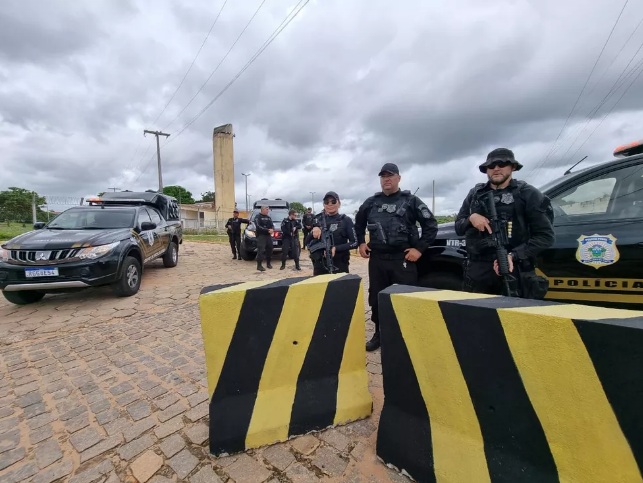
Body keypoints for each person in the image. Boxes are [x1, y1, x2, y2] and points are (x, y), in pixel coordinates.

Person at [355, 164, 438, 351]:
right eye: (383, 176)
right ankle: (380, 333)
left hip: (403, 260)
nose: (386, 179)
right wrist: (361, 243)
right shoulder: (371, 202)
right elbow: (358, 224)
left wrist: (419, 249)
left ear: (398, 178)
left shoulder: (411, 201)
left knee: (405, 298)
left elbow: (431, 225)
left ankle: (408, 336)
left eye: (390, 176)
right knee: (376, 298)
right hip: (377, 260)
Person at [455, 148, 555, 296]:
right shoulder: (475, 194)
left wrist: (513, 255)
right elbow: (459, 227)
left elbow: (545, 237)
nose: (496, 169)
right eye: (491, 166)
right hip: (479, 271)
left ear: (512, 167)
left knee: (514, 315)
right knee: (477, 315)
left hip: (515, 267)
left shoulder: (527, 194)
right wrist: (471, 218)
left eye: (502, 164)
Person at [307, 191, 358, 275]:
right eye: (326, 202)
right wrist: (313, 231)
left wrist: (336, 248)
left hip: (340, 264)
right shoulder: (317, 220)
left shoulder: (346, 220)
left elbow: (355, 243)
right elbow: (307, 242)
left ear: (339, 204)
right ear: (324, 205)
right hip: (320, 265)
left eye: (333, 201)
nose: (330, 204)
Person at [254, 205, 275, 272]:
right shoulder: (258, 217)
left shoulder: (268, 217)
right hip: (261, 236)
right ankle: (259, 265)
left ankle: (268, 263)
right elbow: (258, 226)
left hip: (268, 236)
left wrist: (272, 229)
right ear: (262, 210)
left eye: (268, 209)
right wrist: (267, 230)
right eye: (266, 209)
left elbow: (272, 225)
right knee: (261, 251)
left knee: (270, 249)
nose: (267, 211)